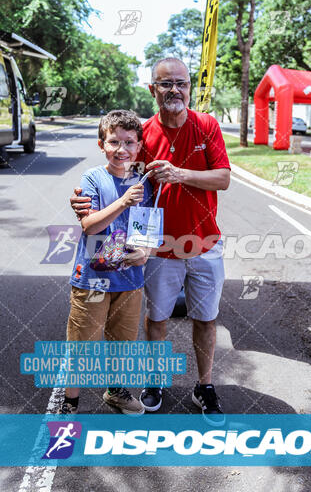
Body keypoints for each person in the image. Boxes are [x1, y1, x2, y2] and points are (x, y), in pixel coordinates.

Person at [71, 57, 230, 422]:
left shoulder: (207, 126)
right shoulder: (142, 133)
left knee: (206, 319)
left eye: (181, 83)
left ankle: (203, 386)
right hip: (156, 245)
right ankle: (155, 381)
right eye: (165, 83)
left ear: (189, 87)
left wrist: (180, 173)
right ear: (152, 89)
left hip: (205, 242)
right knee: (156, 318)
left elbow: (222, 178)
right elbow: (115, 169)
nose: (175, 90)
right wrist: (82, 198)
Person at [61, 109, 153, 415]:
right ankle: (70, 402)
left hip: (129, 279)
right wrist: (124, 200)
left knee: (122, 343)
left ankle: (115, 391)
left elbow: (146, 228)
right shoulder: (93, 178)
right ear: (102, 144)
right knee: (82, 345)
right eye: (114, 142)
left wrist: (145, 252)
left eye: (129, 142)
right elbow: (90, 226)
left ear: (139, 146)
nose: (121, 149)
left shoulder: (145, 183)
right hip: (93, 278)